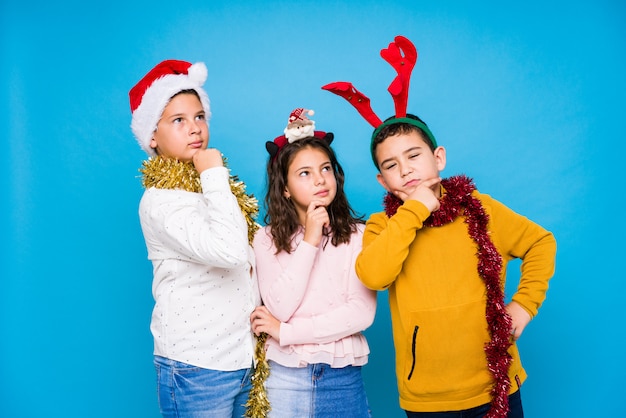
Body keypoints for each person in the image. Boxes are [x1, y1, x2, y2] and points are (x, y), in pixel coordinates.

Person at [323, 36, 557, 418]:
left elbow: (540, 242)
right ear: (383, 182)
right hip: (429, 397)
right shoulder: (385, 226)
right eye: (391, 165)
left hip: (496, 382)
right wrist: (414, 210)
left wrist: (524, 306)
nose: (406, 169)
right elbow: (374, 275)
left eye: (414, 155)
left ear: (439, 157)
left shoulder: (480, 209)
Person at [129, 59, 260, 417]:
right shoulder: (160, 201)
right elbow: (230, 251)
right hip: (196, 367)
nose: (195, 128)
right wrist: (215, 173)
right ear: (152, 136)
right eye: (179, 120)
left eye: (200, 116)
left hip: (242, 358)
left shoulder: (208, 189)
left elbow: (252, 254)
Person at [250, 108, 377, 418]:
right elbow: (278, 308)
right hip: (283, 379)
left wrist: (287, 332)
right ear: (284, 187)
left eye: (326, 168)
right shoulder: (264, 239)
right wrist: (309, 239)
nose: (320, 179)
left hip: (342, 379)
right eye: (304, 173)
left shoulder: (358, 235)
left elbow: (360, 314)